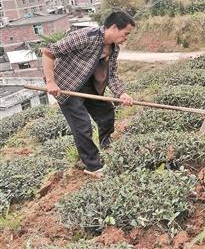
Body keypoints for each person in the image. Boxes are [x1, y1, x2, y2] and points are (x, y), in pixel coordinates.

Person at [42, 11, 135, 177]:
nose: (126, 37)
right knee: (82, 126)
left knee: (106, 111)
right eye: (126, 33)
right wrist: (50, 82)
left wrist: (122, 93)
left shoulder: (113, 49)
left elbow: (111, 75)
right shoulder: (86, 36)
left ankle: (106, 145)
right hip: (66, 86)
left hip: (87, 85)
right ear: (114, 27)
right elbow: (49, 52)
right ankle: (93, 166)